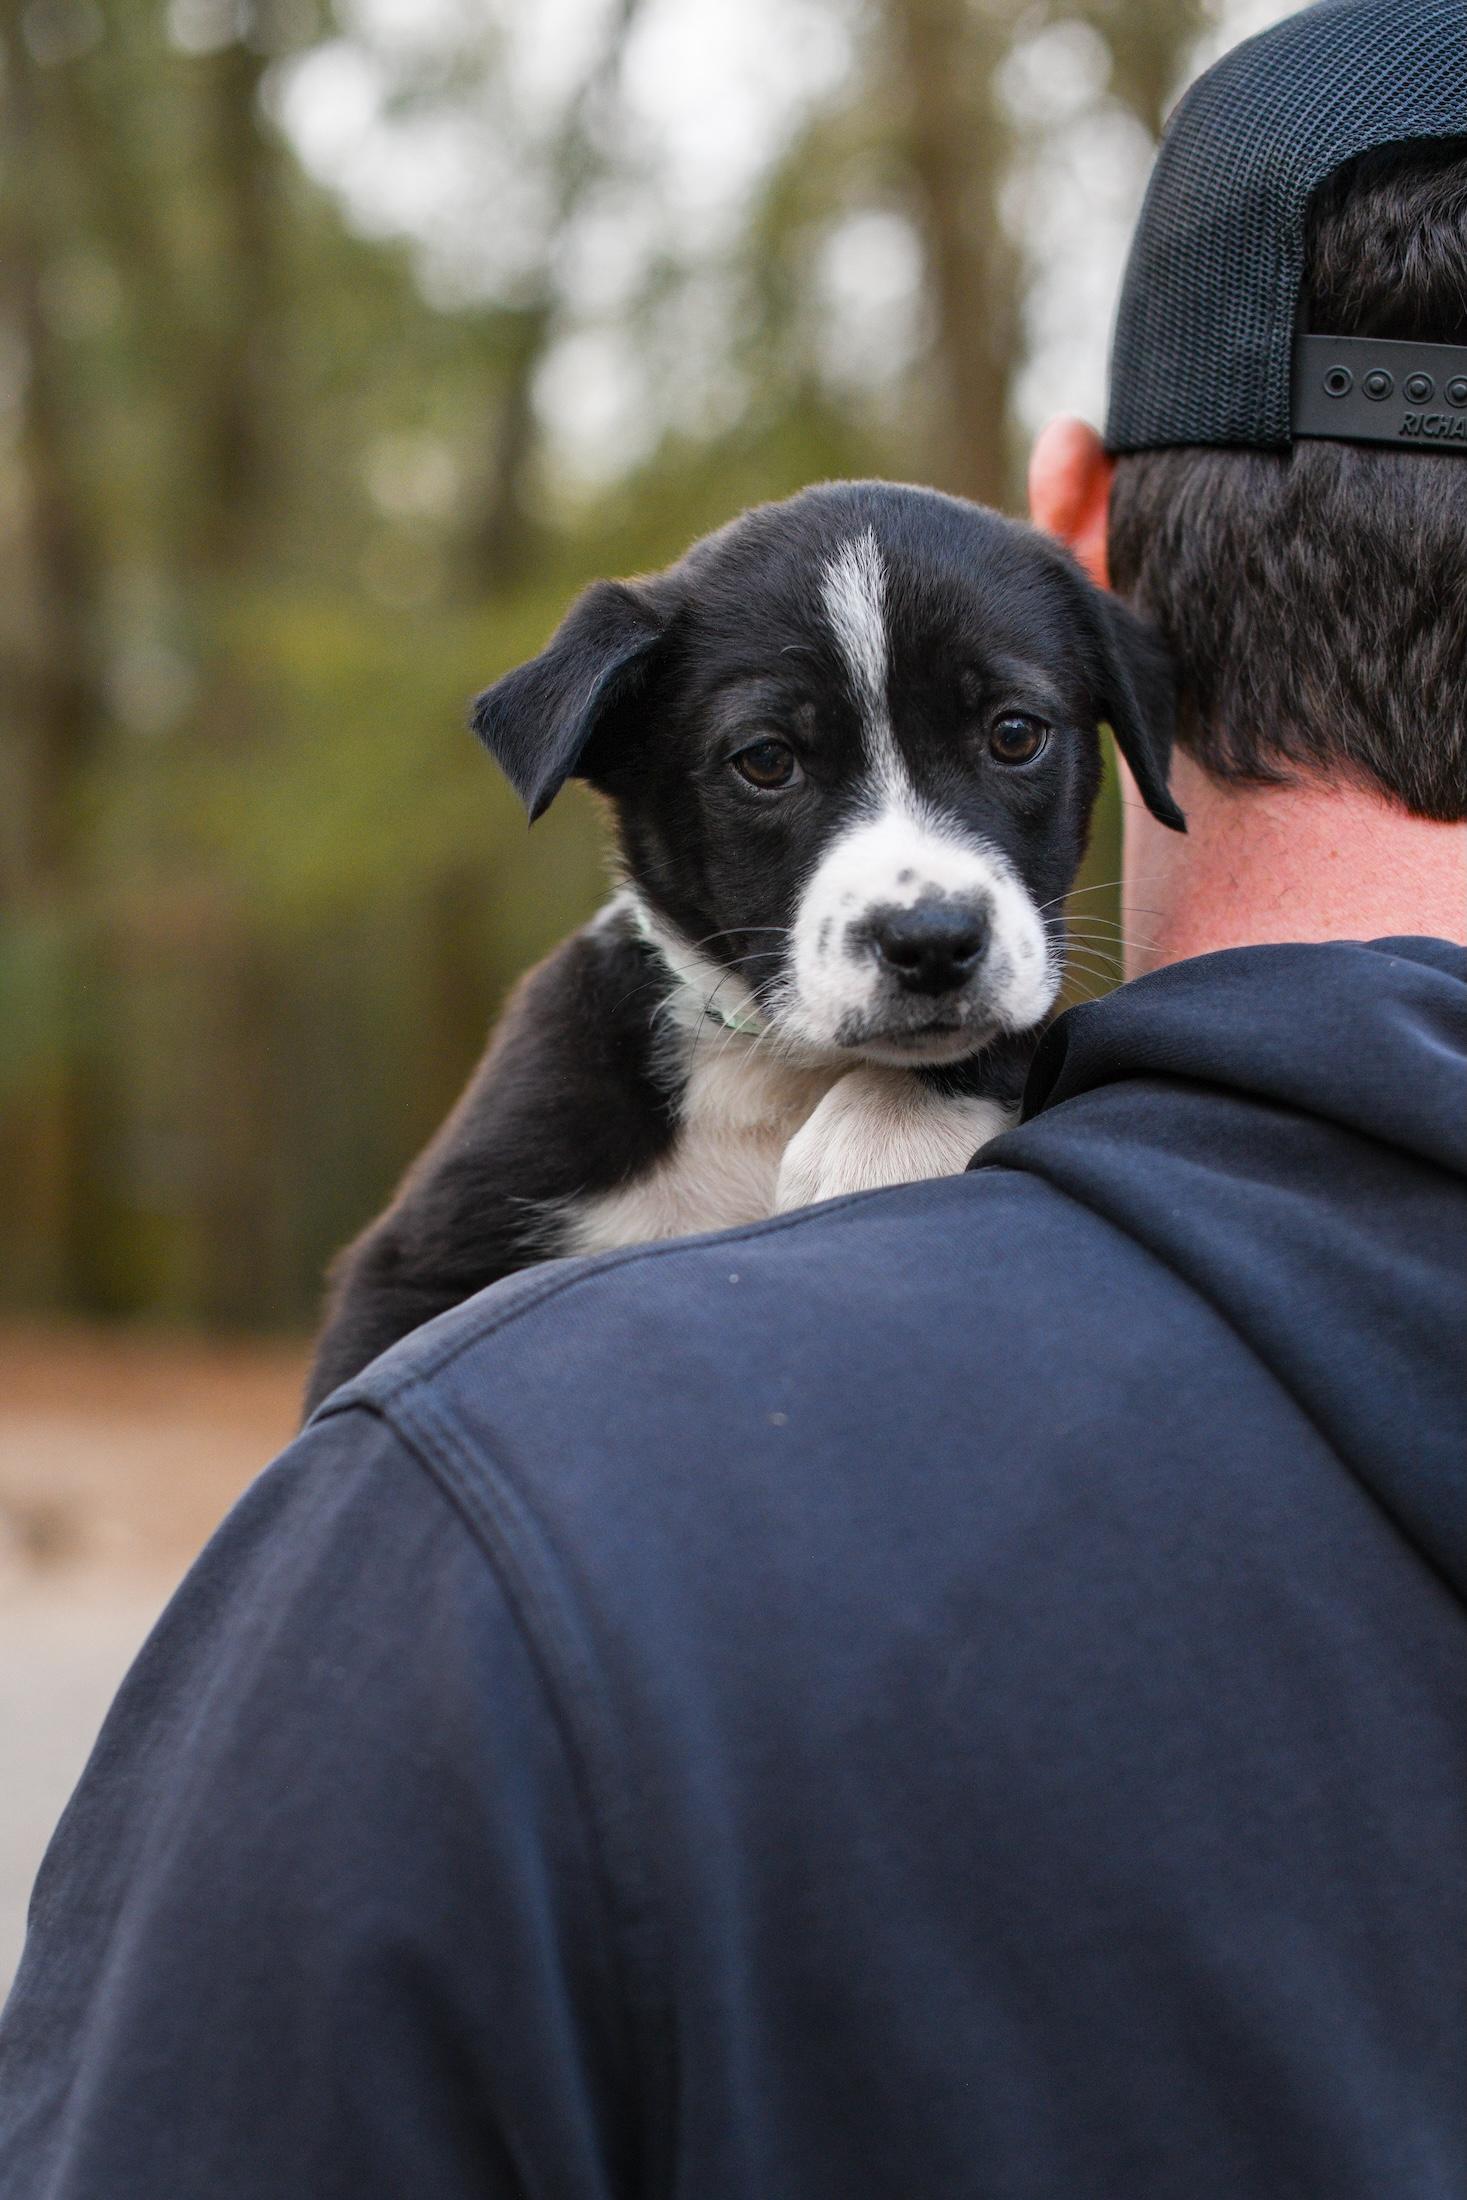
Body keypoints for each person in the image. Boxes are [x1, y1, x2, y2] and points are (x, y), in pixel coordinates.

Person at [2, 3, 1463, 2193]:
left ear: (1099, 579)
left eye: (1002, 748)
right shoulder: (508, 1262)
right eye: (775, 768)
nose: (921, 887)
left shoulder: (481, 1537)